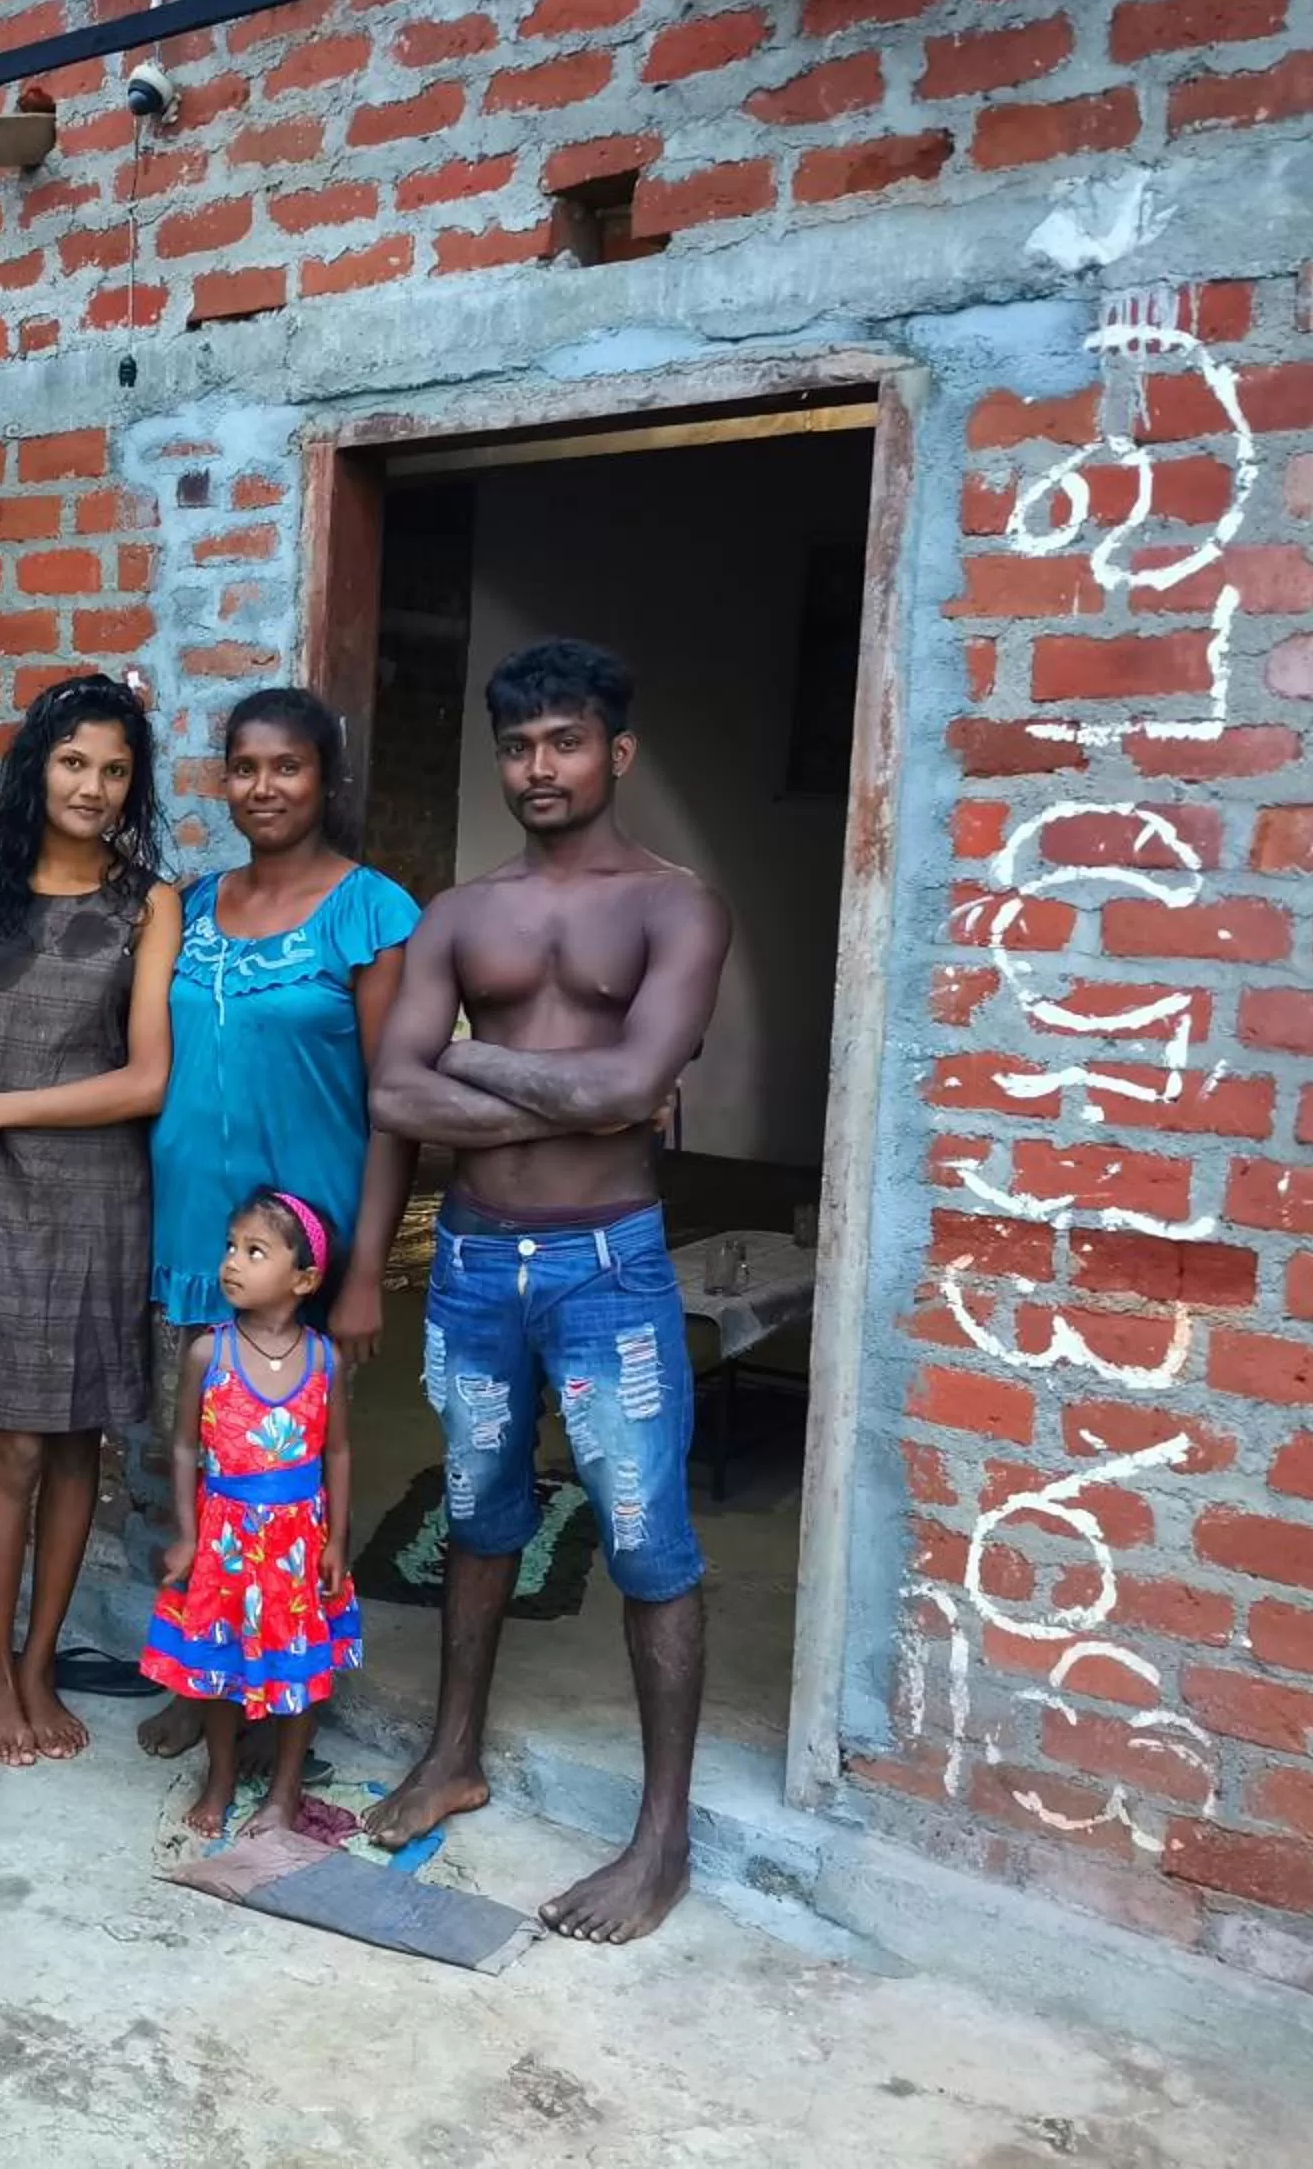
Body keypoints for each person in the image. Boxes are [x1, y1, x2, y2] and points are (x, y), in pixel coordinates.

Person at [366, 636, 732, 1948]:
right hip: (468, 1262)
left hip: (607, 1266)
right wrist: (567, 1089)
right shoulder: (461, 913)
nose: (538, 766)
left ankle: (662, 1833)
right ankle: (453, 1747)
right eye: (517, 744)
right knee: (476, 1514)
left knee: (644, 1535)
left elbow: (633, 1093)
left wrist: (479, 1063)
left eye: (565, 741)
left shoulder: (675, 905)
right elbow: (393, 1092)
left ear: (615, 752)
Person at [138, 685, 419, 1764]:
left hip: (307, 1254)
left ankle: (284, 1690)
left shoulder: (371, 911)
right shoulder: (194, 904)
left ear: (325, 778)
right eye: (244, 766)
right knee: (197, 1464)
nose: (263, 787)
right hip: (198, 1242)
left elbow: (397, 1104)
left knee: (291, 1479)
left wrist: (361, 1277)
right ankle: (205, 1677)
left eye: (287, 767)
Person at [0, 672, 180, 1766]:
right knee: (16, 1446)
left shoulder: (148, 904)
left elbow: (147, 1081)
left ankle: (41, 1661)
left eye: (115, 769)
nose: (93, 784)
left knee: (81, 1441)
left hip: (100, 1197)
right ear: (38, 765)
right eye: (74, 761)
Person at [139, 1187, 361, 1840]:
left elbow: (340, 1453)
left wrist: (336, 1541)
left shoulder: (323, 1360)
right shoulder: (211, 1353)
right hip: (225, 1539)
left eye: (255, 1251)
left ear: (304, 1278)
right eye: (231, 1247)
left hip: (296, 1543)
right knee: (217, 1671)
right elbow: (183, 1445)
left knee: (299, 1672)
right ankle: (221, 1778)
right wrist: (186, 1534)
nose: (232, 1262)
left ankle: (285, 1793)